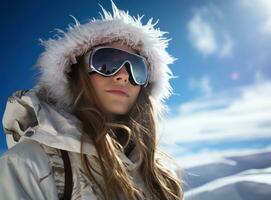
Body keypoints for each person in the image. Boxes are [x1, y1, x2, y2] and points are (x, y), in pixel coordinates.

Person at [0, 1, 183, 200]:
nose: (123, 75)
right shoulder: (27, 164)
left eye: (136, 68)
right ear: (75, 73)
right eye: (106, 62)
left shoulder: (162, 178)